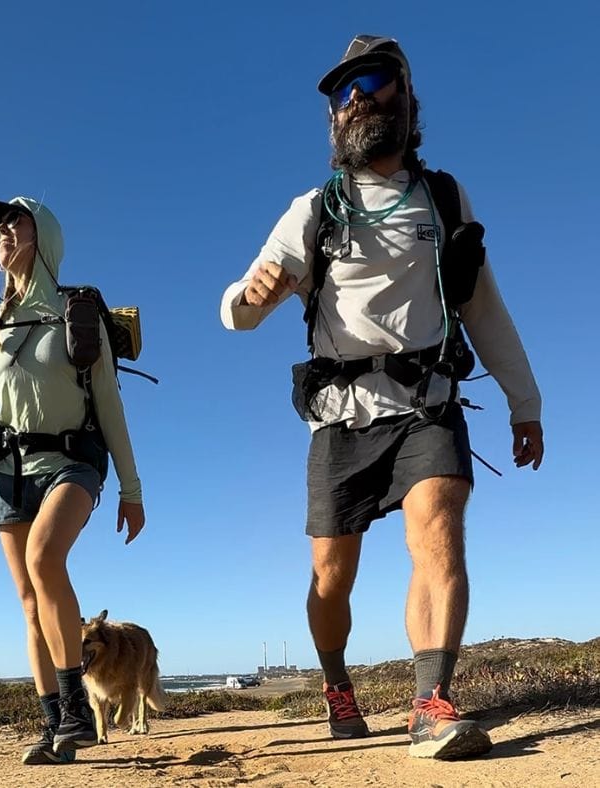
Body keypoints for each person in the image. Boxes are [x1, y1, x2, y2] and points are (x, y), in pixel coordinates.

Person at [220, 35, 543, 761]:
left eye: (371, 80)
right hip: (340, 418)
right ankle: (338, 683)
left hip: (429, 405)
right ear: (333, 118)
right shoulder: (314, 209)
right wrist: (252, 296)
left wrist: (527, 405)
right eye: (341, 91)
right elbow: (235, 312)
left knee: (438, 526)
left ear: (405, 91)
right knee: (331, 578)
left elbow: (485, 310)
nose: (356, 98)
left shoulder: (446, 197)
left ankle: (431, 703)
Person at [0, 196, 146, 764]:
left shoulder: (79, 313)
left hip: (75, 461)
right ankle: (55, 726)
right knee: (31, 605)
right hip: (8, 470)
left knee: (43, 558)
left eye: (15, 220)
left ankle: (77, 708)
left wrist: (131, 488)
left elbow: (109, 403)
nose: (3, 230)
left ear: (46, 234)